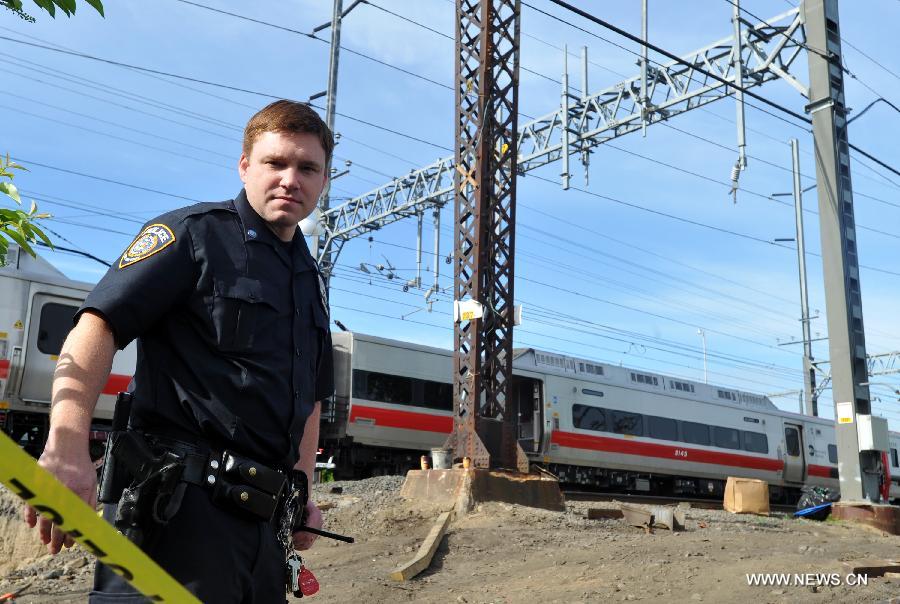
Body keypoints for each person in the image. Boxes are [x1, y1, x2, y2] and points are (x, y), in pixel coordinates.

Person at [24, 99, 335, 602]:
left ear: (323, 180)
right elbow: (96, 326)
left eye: (307, 168)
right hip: (175, 513)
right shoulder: (192, 237)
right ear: (244, 166)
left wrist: (301, 492)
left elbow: (310, 397)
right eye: (275, 163)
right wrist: (65, 447)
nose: (290, 179)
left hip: (262, 529)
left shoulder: (310, 279)